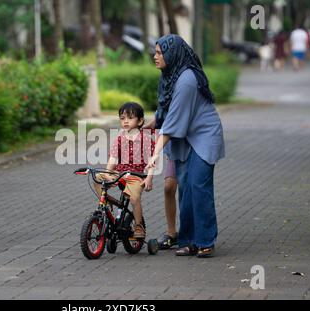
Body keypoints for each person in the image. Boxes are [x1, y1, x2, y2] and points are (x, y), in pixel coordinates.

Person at [147, 34, 225, 258]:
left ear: (172, 53)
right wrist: (151, 123)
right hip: (185, 137)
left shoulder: (187, 79)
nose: (155, 56)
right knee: (185, 189)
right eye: (156, 52)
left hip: (203, 135)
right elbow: (167, 110)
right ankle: (189, 240)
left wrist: (155, 154)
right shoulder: (169, 75)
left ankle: (205, 240)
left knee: (198, 185)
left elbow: (174, 122)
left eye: (160, 53)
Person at [94, 102, 156, 239]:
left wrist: (149, 177)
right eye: (122, 118)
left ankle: (139, 225)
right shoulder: (120, 138)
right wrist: (107, 173)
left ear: (140, 121)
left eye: (130, 118)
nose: (125, 121)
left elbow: (152, 161)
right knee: (97, 177)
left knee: (134, 198)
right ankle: (106, 203)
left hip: (136, 175)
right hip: (120, 173)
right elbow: (113, 158)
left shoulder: (145, 139)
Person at [144, 120, 179, 250]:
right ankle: (172, 233)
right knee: (168, 188)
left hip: (190, 147)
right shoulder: (165, 103)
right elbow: (162, 113)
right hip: (174, 152)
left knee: (190, 191)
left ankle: (192, 233)